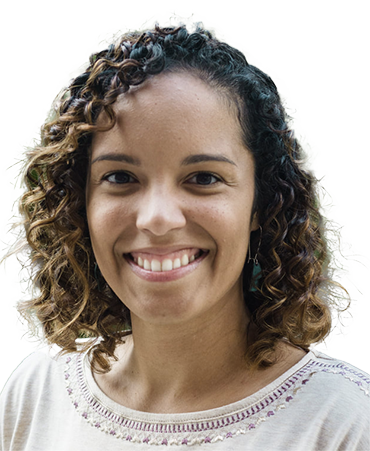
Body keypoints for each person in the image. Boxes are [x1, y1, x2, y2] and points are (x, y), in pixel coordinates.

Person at [1, 12, 369, 451]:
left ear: (261, 202)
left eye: (204, 178)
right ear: (80, 204)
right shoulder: (36, 394)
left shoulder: (345, 423)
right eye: (120, 177)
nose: (157, 218)